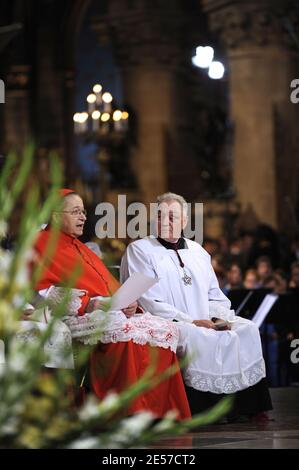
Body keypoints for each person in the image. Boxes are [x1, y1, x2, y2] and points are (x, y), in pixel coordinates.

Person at [32, 189, 191, 420]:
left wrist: (129, 302)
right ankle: (125, 413)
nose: (83, 217)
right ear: (56, 216)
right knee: (124, 332)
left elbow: (109, 284)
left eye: (83, 212)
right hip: (73, 316)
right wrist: (87, 304)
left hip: (107, 311)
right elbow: (40, 291)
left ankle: (161, 412)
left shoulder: (81, 247)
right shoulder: (39, 244)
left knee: (165, 329)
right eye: (76, 212)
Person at [121, 192, 272, 420]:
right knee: (195, 335)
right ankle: (204, 411)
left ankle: (246, 407)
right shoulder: (140, 249)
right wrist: (192, 321)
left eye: (172, 217)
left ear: (184, 221)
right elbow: (148, 299)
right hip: (169, 321)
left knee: (247, 329)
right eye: (160, 216)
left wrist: (219, 318)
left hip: (205, 319)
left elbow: (215, 293)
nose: (165, 222)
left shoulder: (198, 252)